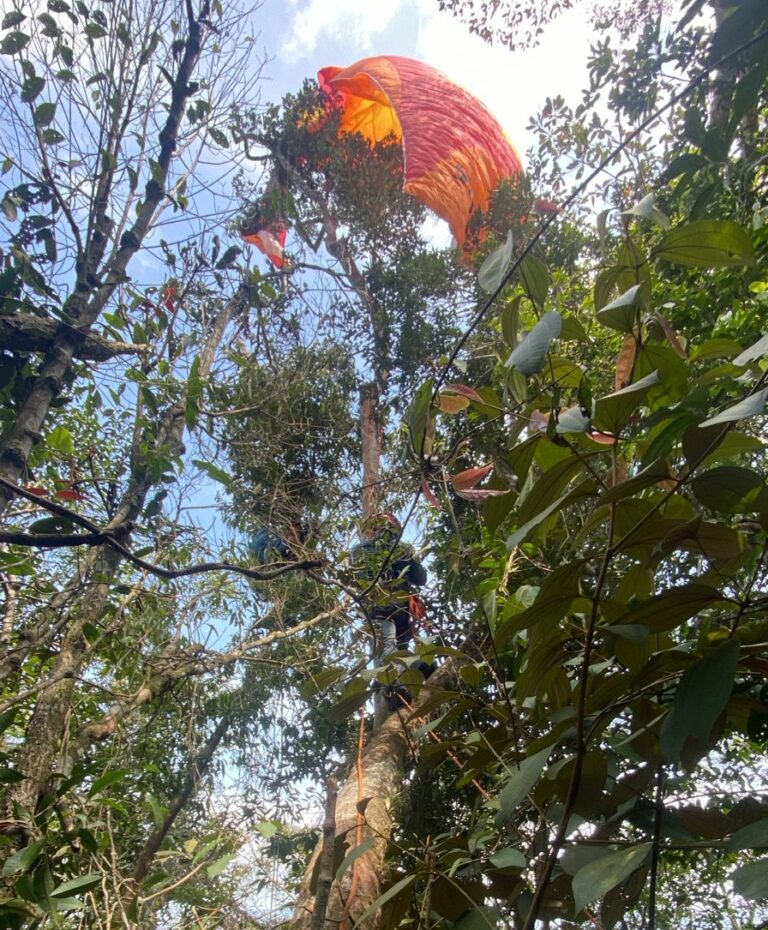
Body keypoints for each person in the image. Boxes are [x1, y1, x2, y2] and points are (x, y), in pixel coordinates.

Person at [351, 513, 433, 710]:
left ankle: (399, 686)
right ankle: (417, 667)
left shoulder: (360, 550)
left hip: (382, 609)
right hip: (400, 609)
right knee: (396, 649)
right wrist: (406, 557)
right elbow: (420, 578)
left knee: (387, 649)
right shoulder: (401, 549)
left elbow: (359, 578)